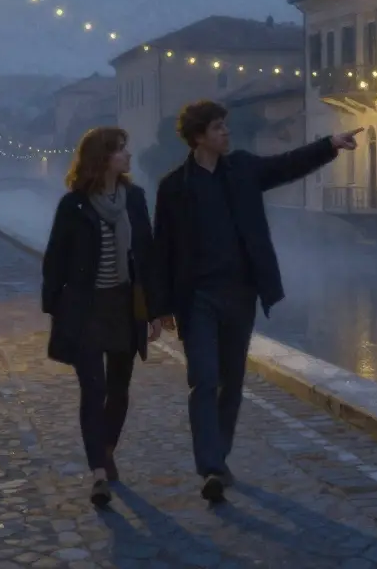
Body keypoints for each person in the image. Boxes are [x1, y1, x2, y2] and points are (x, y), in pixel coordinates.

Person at [152, 99, 359, 503]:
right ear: (198, 137)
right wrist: (160, 305)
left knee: (231, 382)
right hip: (197, 298)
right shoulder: (173, 187)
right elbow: (162, 249)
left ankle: (219, 457)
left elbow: (285, 165)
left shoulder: (243, 169)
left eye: (225, 126)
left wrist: (329, 144)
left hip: (241, 294)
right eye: (218, 128)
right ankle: (210, 466)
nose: (226, 133)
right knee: (204, 379)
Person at [42, 126, 169, 508]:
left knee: (119, 388)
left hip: (123, 306)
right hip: (85, 309)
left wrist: (156, 310)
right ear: (103, 158)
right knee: (92, 389)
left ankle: (107, 449)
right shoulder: (74, 205)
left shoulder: (134, 199)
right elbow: (55, 261)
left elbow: (146, 255)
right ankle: (98, 472)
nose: (128, 156)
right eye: (121, 150)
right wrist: (56, 309)